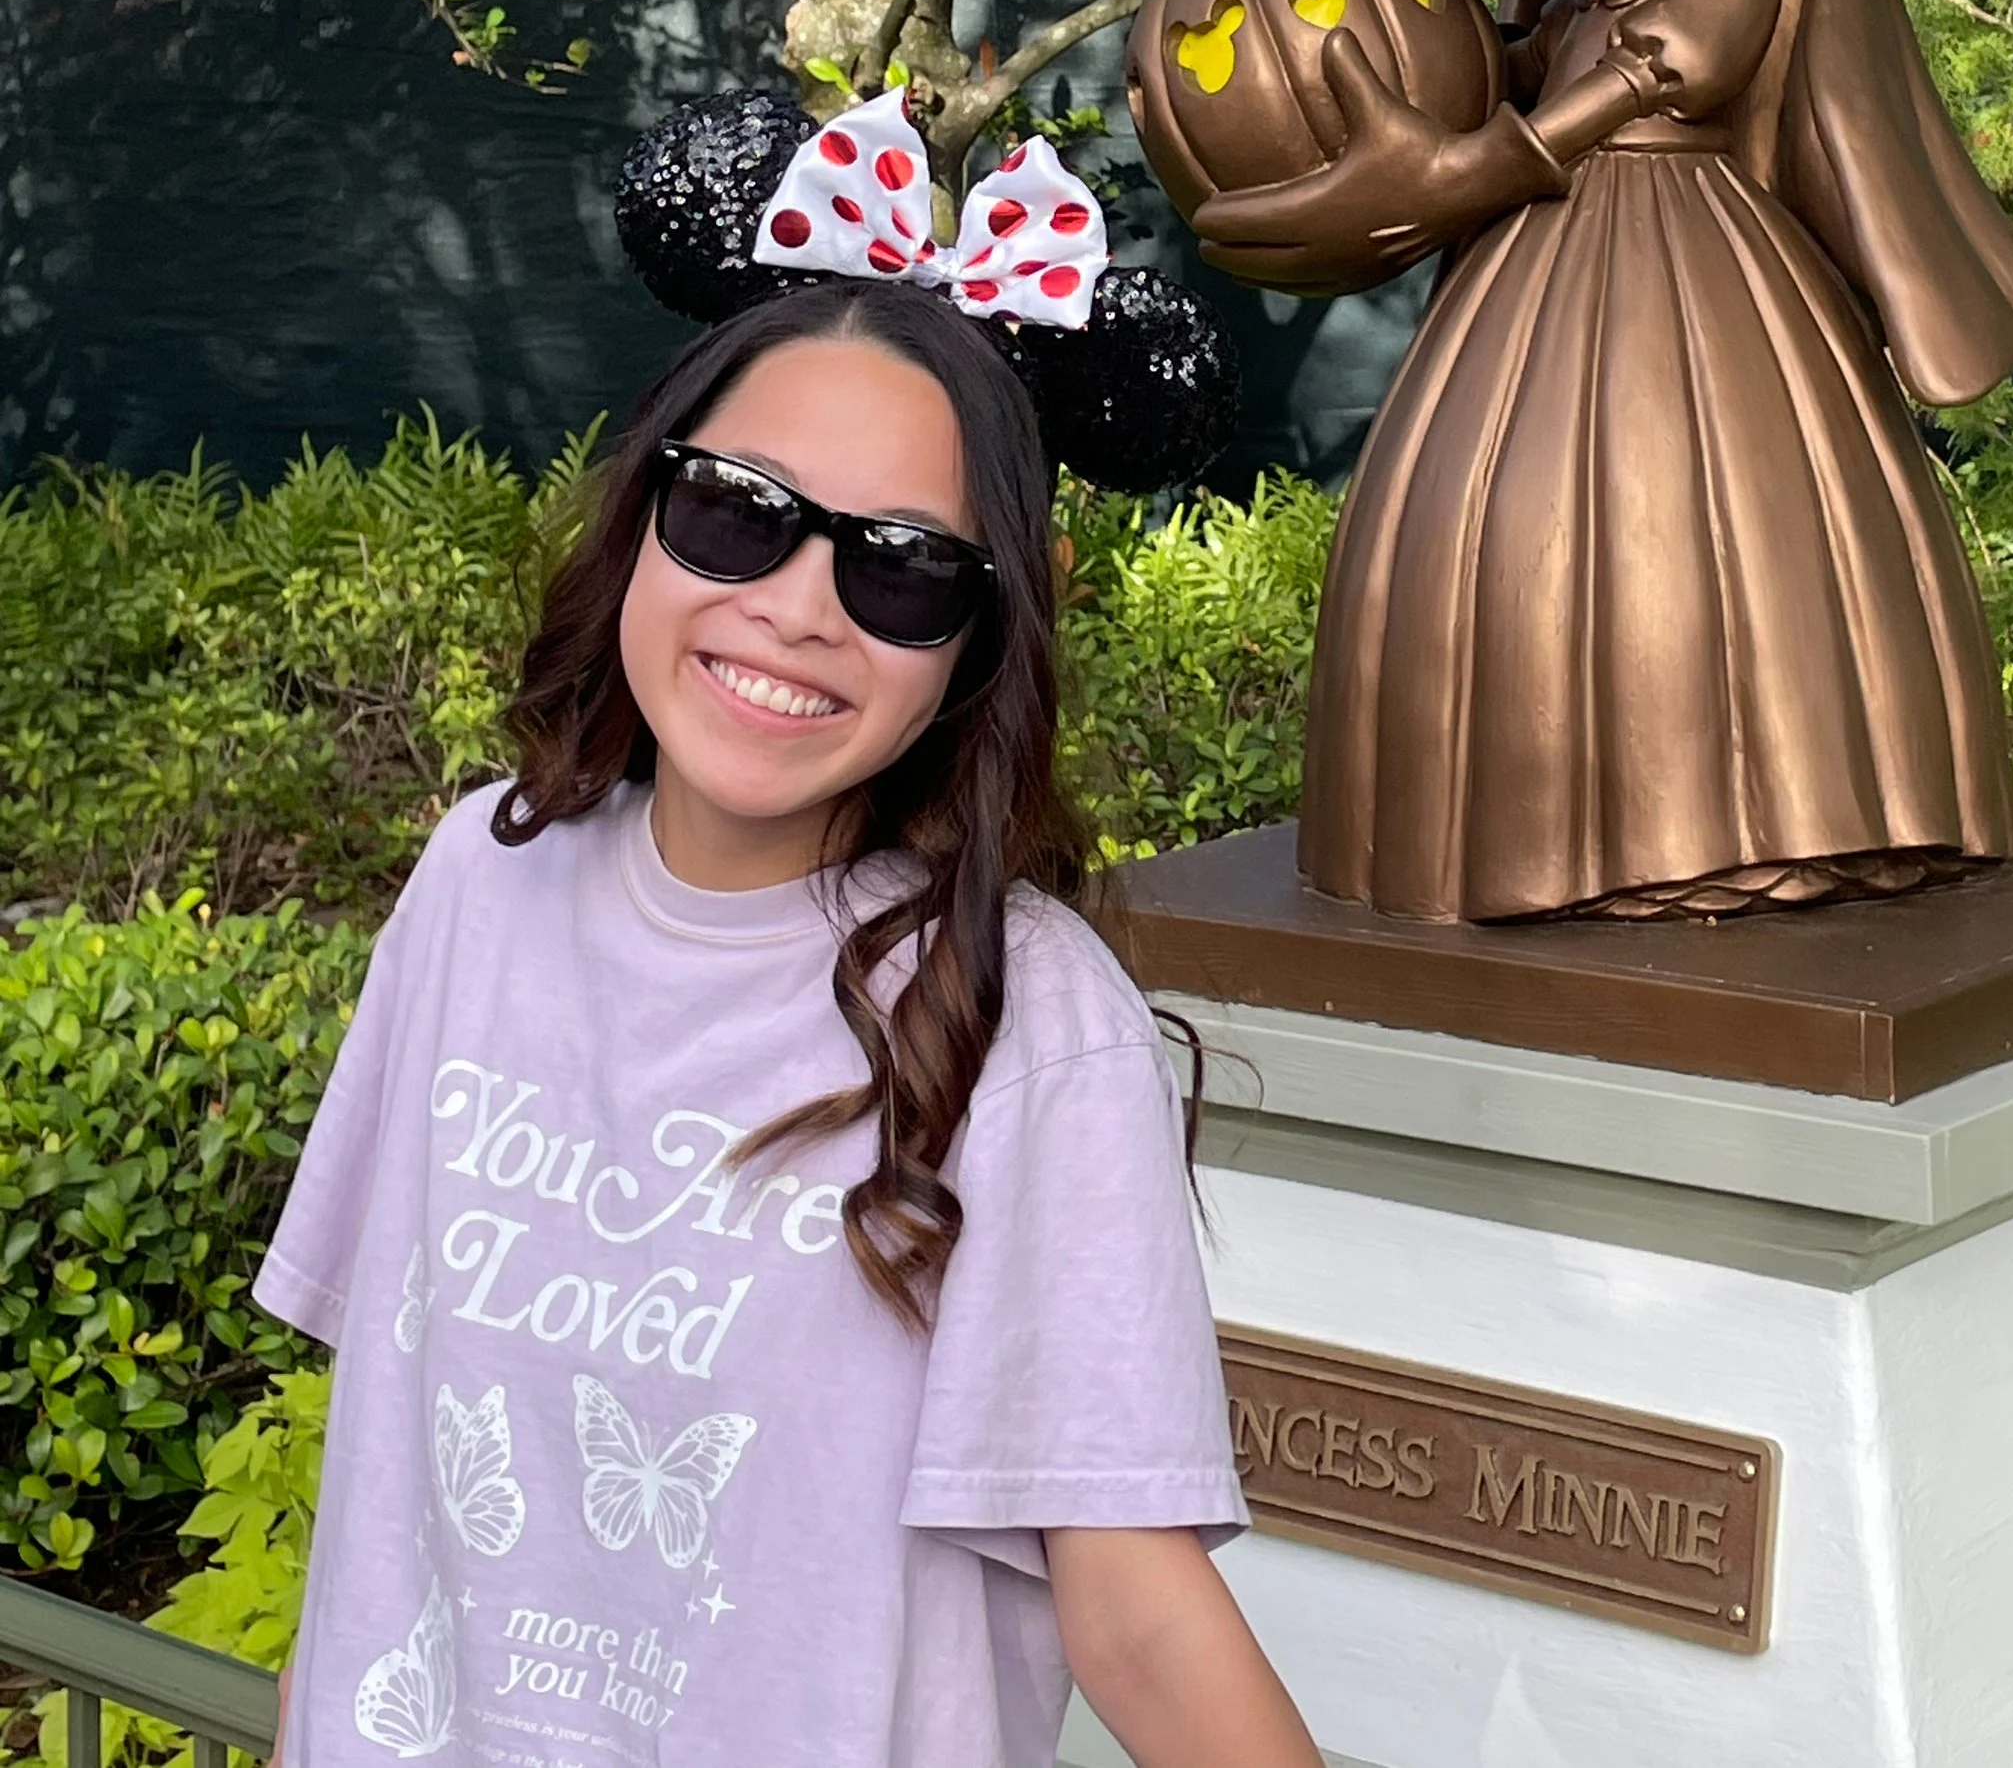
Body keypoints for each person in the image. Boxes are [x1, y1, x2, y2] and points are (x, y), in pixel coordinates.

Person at [258, 276, 1321, 1768]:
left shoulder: (1027, 1015)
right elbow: (386, 1461)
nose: (800, 608)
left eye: (901, 571)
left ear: (976, 638)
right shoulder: (476, 883)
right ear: (643, 513)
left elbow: (1135, 1609)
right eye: (740, 511)